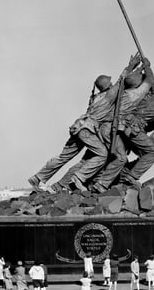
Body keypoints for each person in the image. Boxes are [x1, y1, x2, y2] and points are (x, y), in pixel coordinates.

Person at [29, 54, 141, 192]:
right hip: (87, 130)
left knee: (63, 157)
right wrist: (132, 65)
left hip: (78, 127)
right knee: (102, 154)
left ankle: (37, 177)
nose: (112, 84)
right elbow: (121, 81)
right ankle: (79, 177)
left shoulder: (95, 98)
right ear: (107, 86)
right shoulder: (108, 97)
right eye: (110, 84)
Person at [89, 57, 154, 192]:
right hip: (111, 128)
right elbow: (150, 81)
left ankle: (100, 181)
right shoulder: (134, 94)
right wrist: (147, 67)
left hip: (103, 128)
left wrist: (135, 67)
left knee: (113, 156)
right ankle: (101, 184)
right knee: (121, 158)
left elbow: (123, 78)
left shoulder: (114, 93)